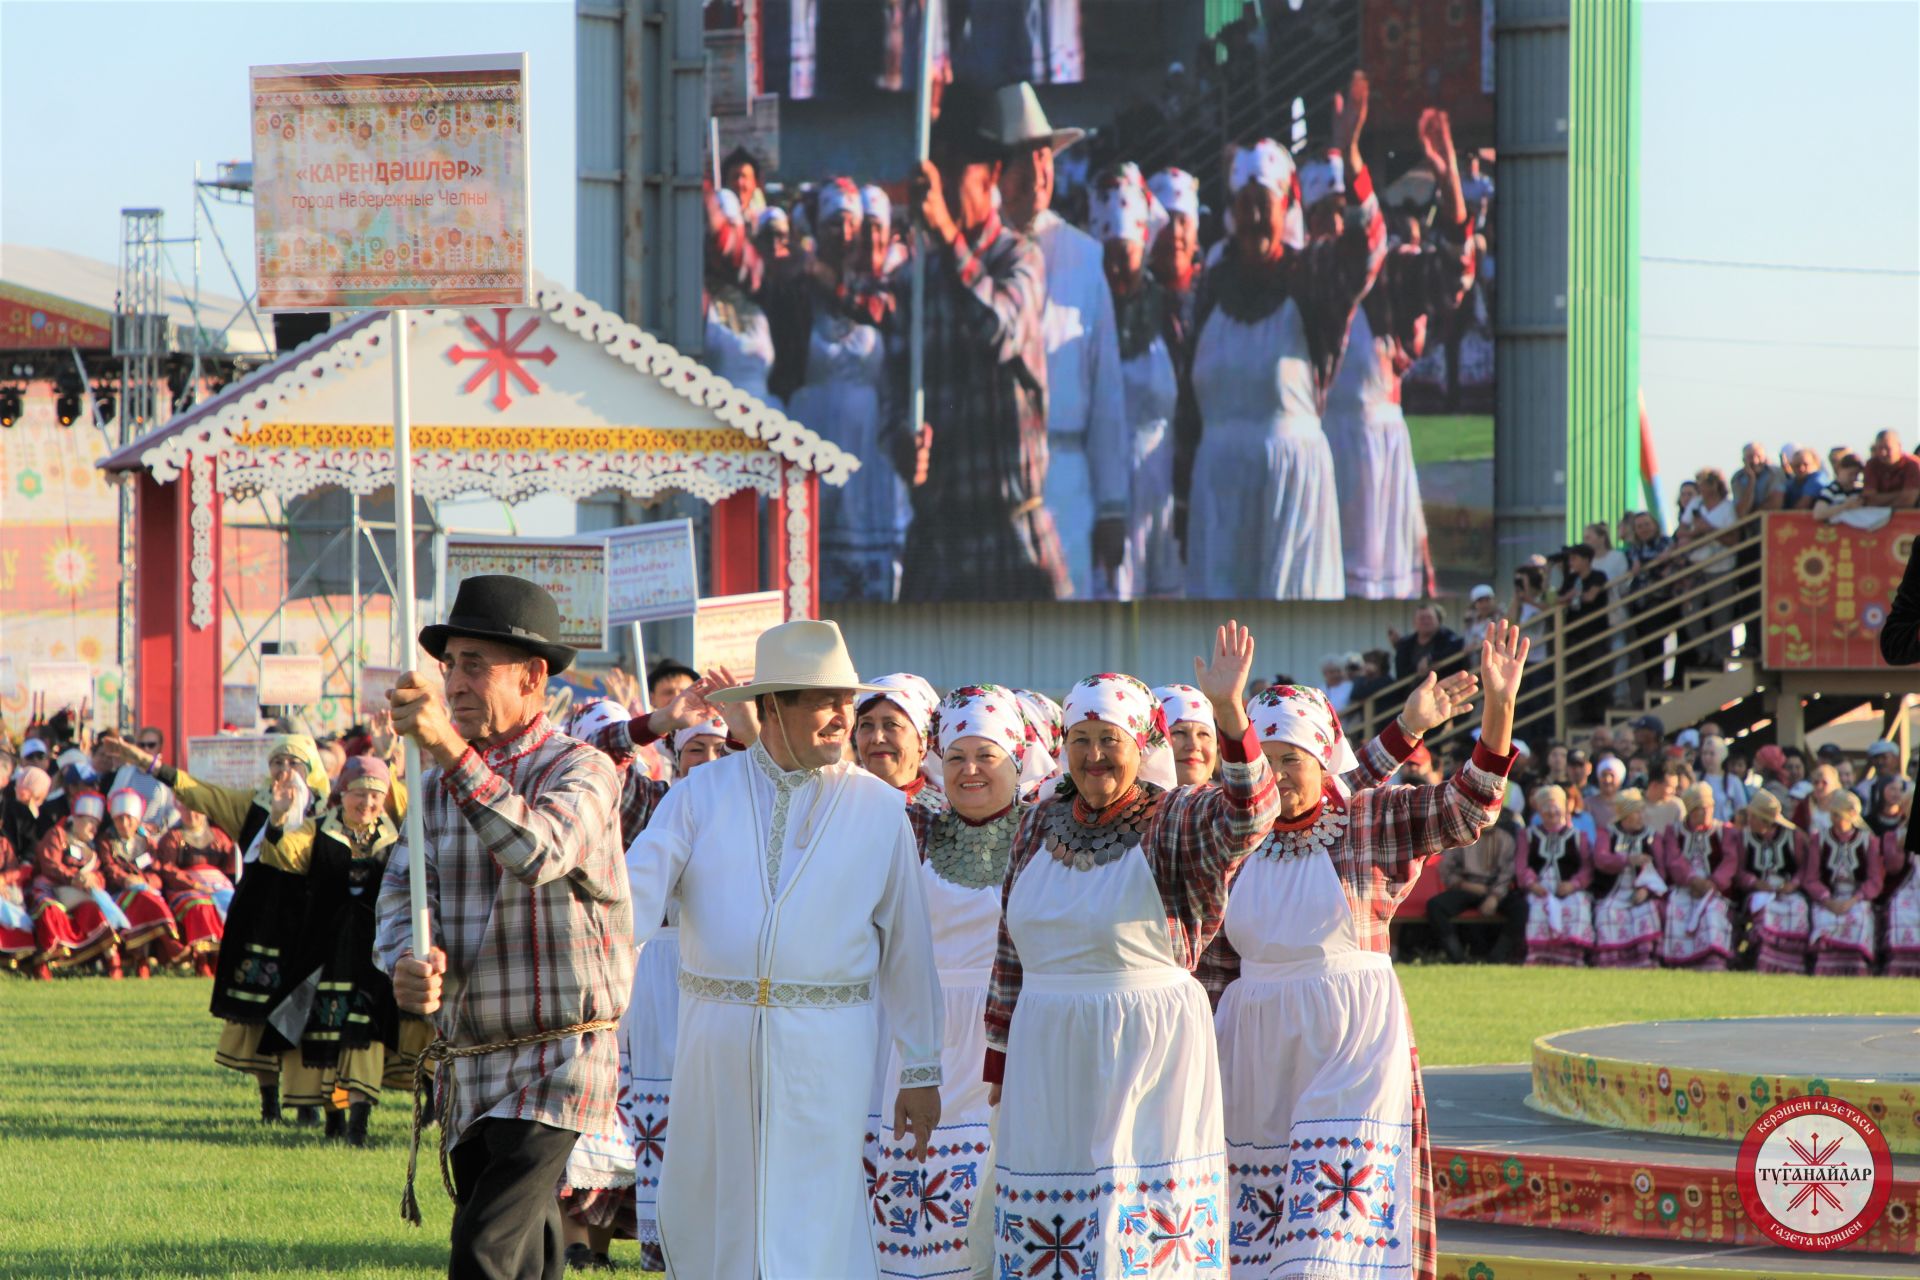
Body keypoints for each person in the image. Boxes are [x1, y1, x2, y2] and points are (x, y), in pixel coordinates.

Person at [623, 619, 943, 1276]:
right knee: (709, 1210)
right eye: (822, 700)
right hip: (715, 1043)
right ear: (770, 707)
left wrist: (921, 1068)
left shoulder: (880, 809)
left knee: (815, 1221)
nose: (841, 717)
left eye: (845, 700)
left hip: (827, 1049)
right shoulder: (699, 796)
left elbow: (908, 947)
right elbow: (628, 899)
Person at [1213, 623, 1527, 1280]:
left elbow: (1467, 807)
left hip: (1348, 1046)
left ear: (1322, 763)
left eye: (1289, 760)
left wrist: (1498, 711)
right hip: (1253, 1052)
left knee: (1331, 1244)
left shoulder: (1366, 819)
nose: (1272, 777)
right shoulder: (1230, 831)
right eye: (1258, 761)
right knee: (1254, 1246)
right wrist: (1403, 729)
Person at [986, 627, 1278, 1276]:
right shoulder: (1035, 823)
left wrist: (1230, 716)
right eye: (1080, 740)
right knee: (1052, 1228)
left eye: (1109, 741)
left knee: (1138, 1224)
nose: (1093, 757)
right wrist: (996, 1058)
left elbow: (1252, 815)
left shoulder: (1174, 817)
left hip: (1148, 1050)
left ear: (1142, 745)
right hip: (1045, 1053)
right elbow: (1011, 949)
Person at [374, 575, 633, 1279]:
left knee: (484, 1250)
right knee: (529, 1253)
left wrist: (449, 756)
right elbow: (398, 896)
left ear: (533, 677)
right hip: (468, 1061)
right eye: (449, 663)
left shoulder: (584, 770)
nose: (454, 681)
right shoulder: (427, 787)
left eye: (474, 665)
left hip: (561, 1059)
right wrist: (405, 961)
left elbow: (540, 853)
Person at [1186, 72, 1386, 600]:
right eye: (1244, 202)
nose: (1253, 215)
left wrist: (1351, 158)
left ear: (1286, 206)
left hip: (1291, 492)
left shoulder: (1310, 274)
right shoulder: (1211, 284)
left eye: (1264, 203)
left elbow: (1366, 253)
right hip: (1218, 495)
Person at [867, 685, 1034, 1279]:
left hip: (1009, 1035)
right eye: (956, 756)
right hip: (925, 1037)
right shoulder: (916, 826)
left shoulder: (1044, 832)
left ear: (1016, 757)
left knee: (997, 1191)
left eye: (985, 756)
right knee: (924, 1196)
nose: (968, 770)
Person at [102, 731, 332, 1121]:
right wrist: (146, 762)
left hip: (306, 920)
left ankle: (306, 1103)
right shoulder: (253, 805)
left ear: (310, 771)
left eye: (293, 763)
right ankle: (269, 1103)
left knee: (301, 1008)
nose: (284, 771)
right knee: (256, 1011)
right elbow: (197, 792)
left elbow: (311, 860)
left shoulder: (327, 813)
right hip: (258, 918)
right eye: (277, 763)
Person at [901, 78, 1068, 601]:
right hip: (940, 543)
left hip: (1011, 537)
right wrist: (901, 444)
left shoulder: (1020, 258)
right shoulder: (916, 279)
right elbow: (893, 386)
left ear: (992, 174)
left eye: (957, 169)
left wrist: (948, 236)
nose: (945, 184)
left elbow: (998, 329)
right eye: (939, 169)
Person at [1323, 107, 1474, 599]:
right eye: (1321, 213)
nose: (1332, 225)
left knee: (1381, 584)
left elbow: (1454, 272)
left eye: (1339, 211)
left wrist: (1450, 179)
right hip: (1315, 454)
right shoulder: (1300, 276)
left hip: (1373, 451)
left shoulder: (1393, 272)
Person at [993, 82, 1128, 600]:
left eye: (1044, 156)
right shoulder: (981, 252)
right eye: (1022, 158)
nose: (1037, 172)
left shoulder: (1083, 256)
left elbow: (1107, 388)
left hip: (1069, 479)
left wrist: (1112, 506)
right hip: (1000, 477)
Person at [265, 754, 412, 1147]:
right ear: (342, 793)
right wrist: (279, 818)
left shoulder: (398, 837)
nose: (367, 804)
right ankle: (334, 1119)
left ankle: (359, 1126)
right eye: (359, 794)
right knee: (328, 1036)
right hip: (324, 949)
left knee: (366, 1034)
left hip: (374, 952)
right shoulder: (317, 831)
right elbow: (282, 855)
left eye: (375, 797)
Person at [779, 177, 910, 603]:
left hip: (869, 447)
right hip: (812, 432)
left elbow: (886, 318)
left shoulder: (883, 291)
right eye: (833, 223)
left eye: (851, 223)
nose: (844, 233)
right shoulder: (799, 293)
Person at [1090, 165, 1183, 599]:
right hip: (1103, 488)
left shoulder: (1170, 312)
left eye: (1123, 258)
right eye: (1106, 258)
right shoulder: (1087, 316)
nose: (1114, 271)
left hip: (1159, 484)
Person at [1425, 803, 1525, 964]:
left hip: (1494, 889)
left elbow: (1507, 874)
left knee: (1521, 908)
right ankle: (1457, 957)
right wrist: (1464, 885)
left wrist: (1494, 896)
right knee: (1435, 906)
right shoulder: (1462, 837)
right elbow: (1446, 868)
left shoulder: (1505, 839)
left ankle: (1497, 958)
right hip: (1467, 886)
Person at [1800, 791, 1886, 977]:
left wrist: (1854, 899)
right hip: (1828, 896)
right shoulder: (1819, 839)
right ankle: (1825, 968)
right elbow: (1811, 878)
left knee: (1860, 916)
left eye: (1838, 814)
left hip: (1856, 897)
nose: (1834, 819)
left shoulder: (1868, 841)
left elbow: (1874, 879)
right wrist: (1827, 900)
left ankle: (1856, 967)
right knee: (1824, 917)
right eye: (1833, 814)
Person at [94, 788, 179, 978]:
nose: (124, 824)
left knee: (144, 897)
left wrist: (144, 881)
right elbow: (109, 868)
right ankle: (167, 942)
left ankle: (146, 957)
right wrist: (126, 880)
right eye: (119, 819)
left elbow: (157, 871)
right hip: (119, 892)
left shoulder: (147, 842)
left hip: (145, 889)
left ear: (137, 819)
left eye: (129, 818)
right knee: (141, 899)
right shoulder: (107, 841)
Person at [1655, 784, 1736, 970]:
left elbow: (1730, 860)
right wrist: (1691, 879)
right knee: (1676, 909)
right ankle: (1680, 960)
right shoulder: (1674, 831)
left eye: (1709, 807)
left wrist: (1713, 883)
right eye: (1701, 808)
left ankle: (1712, 960)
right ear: (1691, 810)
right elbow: (1673, 858)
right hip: (1685, 886)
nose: (1706, 811)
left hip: (1714, 890)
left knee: (1712, 912)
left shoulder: (1724, 831)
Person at [856, 672, 946, 839]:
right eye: (866, 725)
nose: (877, 738)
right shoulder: (838, 802)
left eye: (891, 724)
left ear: (923, 738)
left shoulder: (945, 815)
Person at [1515, 783, 1594, 965]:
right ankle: (1539, 957)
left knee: (1579, 904)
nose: (1551, 812)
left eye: (1555, 807)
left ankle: (1571, 958)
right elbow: (1521, 866)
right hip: (1538, 889)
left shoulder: (1578, 836)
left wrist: (1573, 885)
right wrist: (1533, 884)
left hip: (1568, 889)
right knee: (1535, 907)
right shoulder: (1528, 835)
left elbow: (1587, 868)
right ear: (1540, 811)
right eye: (1546, 809)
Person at [1733, 790, 1808, 974]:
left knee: (1799, 907)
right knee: (1764, 910)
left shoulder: (1793, 838)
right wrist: (1756, 883)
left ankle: (1791, 964)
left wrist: (1793, 884)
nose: (1749, 820)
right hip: (1759, 890)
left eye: (1753, 817)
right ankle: (1761, 959)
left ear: (1764, 820)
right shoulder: (1744, 838)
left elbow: (1804, 868)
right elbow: (1739, 871)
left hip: (1787, 890)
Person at [1589, 790, 1665, 968]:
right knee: (1606, 912)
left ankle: (1643, 960)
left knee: (1647, 912)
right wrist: (1628, 860)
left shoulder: (1652, 836)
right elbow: (1601, 859)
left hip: (1641, 891)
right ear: (1625, 816)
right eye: (1636, 812)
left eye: (1641, 812)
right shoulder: (1607, 833)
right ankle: (1612, 961)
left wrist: (1646, 890)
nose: (1641, 816)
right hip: (1612, 891)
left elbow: (1661, 869)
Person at [1677, 468, 1738, 666]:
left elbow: (1733, 539)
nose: (1699, 488)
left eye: (1702, 483)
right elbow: (1682, 531)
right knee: (1690, 610)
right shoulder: (1695, 504)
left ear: (1714, 485)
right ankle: (1704, 651)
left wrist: (1709, 531)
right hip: (1697, 566)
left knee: (1721, 615)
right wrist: (1696, 533)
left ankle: (1721, 657)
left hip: (1721, 568)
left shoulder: (1728, 509)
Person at [1156, 683, 1218, 787]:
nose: (1194, 745)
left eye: (1204, 734)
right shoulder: (1126, 802)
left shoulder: (1225, 802)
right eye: (1179, 732)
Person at [1862, 429, 1920, 509]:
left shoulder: (1913, 464)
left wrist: (1880, 500)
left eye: (1887, 448)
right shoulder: (1872, 464)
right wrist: (1900, 494)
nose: (1883, 453)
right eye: (1879, 448)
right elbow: (1869, 499)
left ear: (1899, 446)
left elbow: (1908, 501)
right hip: (1877, 517)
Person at [1697, 735, 1749, 818]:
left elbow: (1742, 810)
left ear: (1722, 755)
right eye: (1704, 753)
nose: (1707, 757)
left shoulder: (1733, 781)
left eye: (1712, 754)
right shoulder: (1696, 778)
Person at [1731, 441, 1787, 517]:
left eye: (1759, 456)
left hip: (1771, 522)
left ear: (1765, 458)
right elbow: (1741, 512)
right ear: (1743, 460)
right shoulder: (1737, 478)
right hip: (1747, 525)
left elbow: (1776, 503)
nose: (1755, 461)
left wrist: (1753, 515)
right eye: (1750, 457)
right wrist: (1751, 481)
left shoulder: (1775, 473)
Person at [1813, 451, 1867, 522]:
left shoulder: (1860, 490)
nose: (1854, 478)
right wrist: (1846, 506)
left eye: (1856, 474)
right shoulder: (1830, 490)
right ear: (1839, 469)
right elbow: (1818, 514)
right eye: (1850, 474)